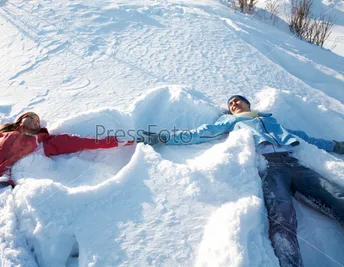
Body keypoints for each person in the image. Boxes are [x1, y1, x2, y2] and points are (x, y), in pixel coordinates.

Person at [138, 95, 344, 267]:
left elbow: (304, 138)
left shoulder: (271, 120)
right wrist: (163, 138)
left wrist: (335, 146)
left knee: (337, 196)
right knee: (282, 219)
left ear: (248, 104)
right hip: (269, 168)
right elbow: (199, 133)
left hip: (294, 164)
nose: (234, 104)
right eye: (230, 104)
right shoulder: (231, 121)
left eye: (238, 101)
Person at [0, 111, 131, 187]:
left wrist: (124, 140)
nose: (35, 120)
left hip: (2, 182)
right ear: (19, 121)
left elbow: (85, 142)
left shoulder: (44, 143)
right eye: (31, 117)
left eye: (38, 121)